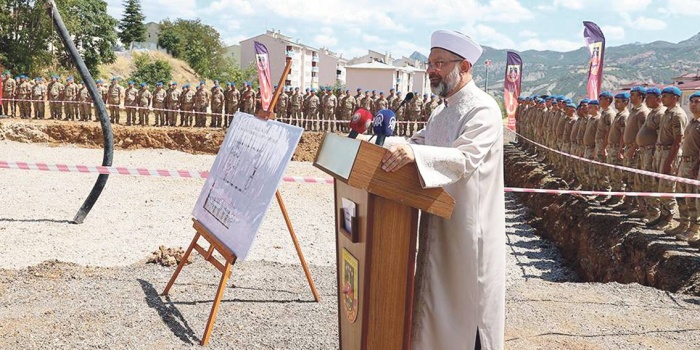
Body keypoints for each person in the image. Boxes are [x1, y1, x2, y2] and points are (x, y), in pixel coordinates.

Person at [381, 29, 505, 350]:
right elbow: (420, 143)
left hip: (467, 232)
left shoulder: (483, 108)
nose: (432, 70)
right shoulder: (442, 109)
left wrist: (414, 153)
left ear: (464, 67)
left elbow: (465, 159)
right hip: (438, 219)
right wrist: (380, 146)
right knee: (437, 309)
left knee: (467, 314)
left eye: (439, 63)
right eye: (430, 63)